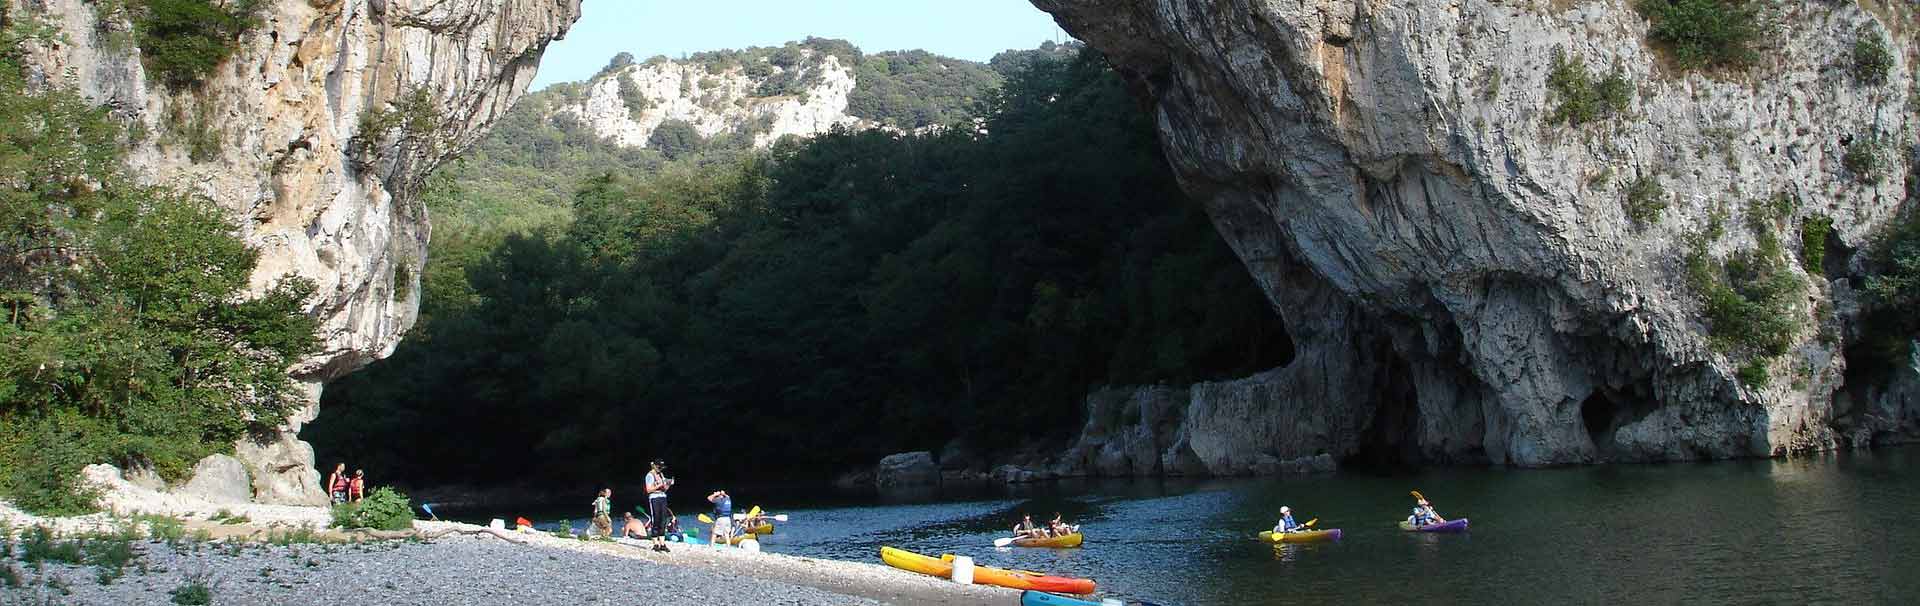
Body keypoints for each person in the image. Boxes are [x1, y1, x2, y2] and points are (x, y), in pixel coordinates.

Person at [645, 460, 675, 552]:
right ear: (655, 466)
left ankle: (662, 543)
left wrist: (668, 484)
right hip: (654, 498)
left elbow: (664, 489)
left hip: (662, 497)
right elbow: (648, 489)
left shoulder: (661, 475)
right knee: (656, 519)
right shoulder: (649, 475)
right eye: (659, 467)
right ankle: (655, 544)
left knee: (663, 520)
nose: (660, 469)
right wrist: (659, 485)